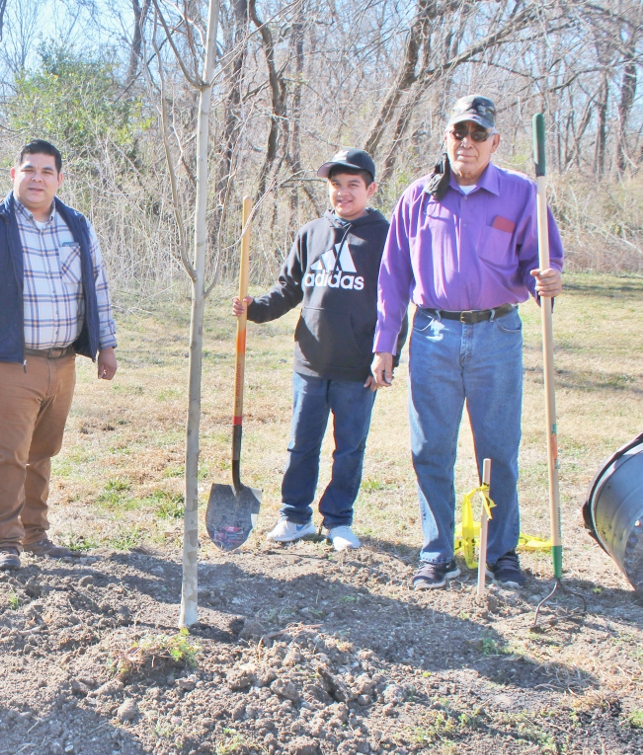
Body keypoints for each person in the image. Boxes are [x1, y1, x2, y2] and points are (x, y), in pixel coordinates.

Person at [371, 95, 564, 591]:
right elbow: (393, 275)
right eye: (459, 132)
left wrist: (547, 280)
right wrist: (385, 343)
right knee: (430, 447)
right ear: (446, 137)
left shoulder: (522, 195)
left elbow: (542, 262)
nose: (468, 142)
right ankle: (437, 553)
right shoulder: (419, 197)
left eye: (479, 134)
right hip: (433, 334)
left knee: (497, 449)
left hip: (497, 333)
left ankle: (501, 556)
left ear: (495, 142)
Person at [0, 139, 118, 571]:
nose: (37, 178)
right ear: (13, 175)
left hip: (63, 361)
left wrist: (105, 345)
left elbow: (97, 286)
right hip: (9, 359)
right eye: (29, 170)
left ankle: (36, 534)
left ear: (60, 178)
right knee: (10, 453)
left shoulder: (77, 225)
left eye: (46, 171)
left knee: (42, 450)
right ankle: (5, 543)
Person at [234, 148, 406, 552]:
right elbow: (289, 289)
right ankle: (295, 517)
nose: (343, 193)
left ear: (370, 189)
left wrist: (388, 353)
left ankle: (339, 521)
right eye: (335, 186)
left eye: (352, 186)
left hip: (357, 367)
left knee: (349, 448)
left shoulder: (384, 237)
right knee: (301, 444)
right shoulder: (310, 233)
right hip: (310, 362)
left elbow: (395, 302)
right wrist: (254, 309)